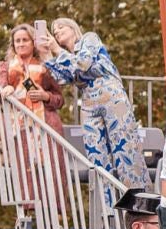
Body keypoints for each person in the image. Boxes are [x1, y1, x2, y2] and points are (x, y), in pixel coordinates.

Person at [44, 18, 148, 190]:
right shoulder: (65, 57)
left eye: (60, 27)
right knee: (96, 155)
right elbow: (59, 78)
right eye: (53, 30)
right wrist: (47, 53)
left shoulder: (89, 38)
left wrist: (57, 50)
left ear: (73, 28)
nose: (56, 31)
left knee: (125, 147)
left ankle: (139, 202)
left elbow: (83, 64)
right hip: (88, 103)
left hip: (111, 95)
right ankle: (105, 208)